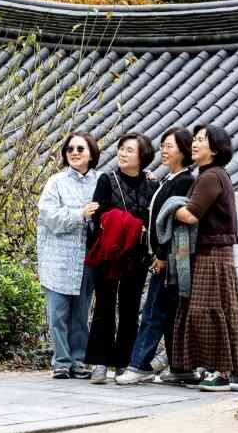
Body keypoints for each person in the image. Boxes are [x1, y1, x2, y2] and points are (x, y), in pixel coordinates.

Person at [168, 124, 238, 392]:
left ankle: (220, 372)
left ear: (215, 149)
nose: (194, 144)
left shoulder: (210, 177)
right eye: (194, 139)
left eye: (201, 140)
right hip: (214, 254)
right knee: (212, 311)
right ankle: (213, 369)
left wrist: (169, 207)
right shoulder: (213, 174)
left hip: (212, 255)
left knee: (208, 312)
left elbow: (190, 215)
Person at [116, 127, 196, 385]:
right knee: (170, 312)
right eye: (162, 146)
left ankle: (139, 365)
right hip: (167, 257)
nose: (163, 150)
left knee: (153, 311)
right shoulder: (170, 179)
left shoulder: (184, 181)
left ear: (183, 151)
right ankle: (180, 367)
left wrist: (161, 255)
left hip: (169, 258)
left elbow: (173, 224)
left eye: (169, 146)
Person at [84, 132, 156, 383]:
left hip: (136, 255)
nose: (122, 154)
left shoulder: (152, 184)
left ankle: (123, 363)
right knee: (104, 305)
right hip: (109, 252)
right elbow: (97, 215)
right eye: (121, 148)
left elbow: (153, 220)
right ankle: (100, 362)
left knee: (130, 307)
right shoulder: (107, 180)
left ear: (142, 157)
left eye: (129, 150)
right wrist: (124, 225)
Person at [36, 131, 100, 379]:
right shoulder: (56, 182)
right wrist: (79, 214)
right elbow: (49, 216)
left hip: (87, 258)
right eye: (70, 149)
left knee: (81, 314)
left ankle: (79, 360)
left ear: (91, 153)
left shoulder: (101, 181)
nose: (74, 153)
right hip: (58, 258)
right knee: (58, 314)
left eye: (80, 149)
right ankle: (61, 361)